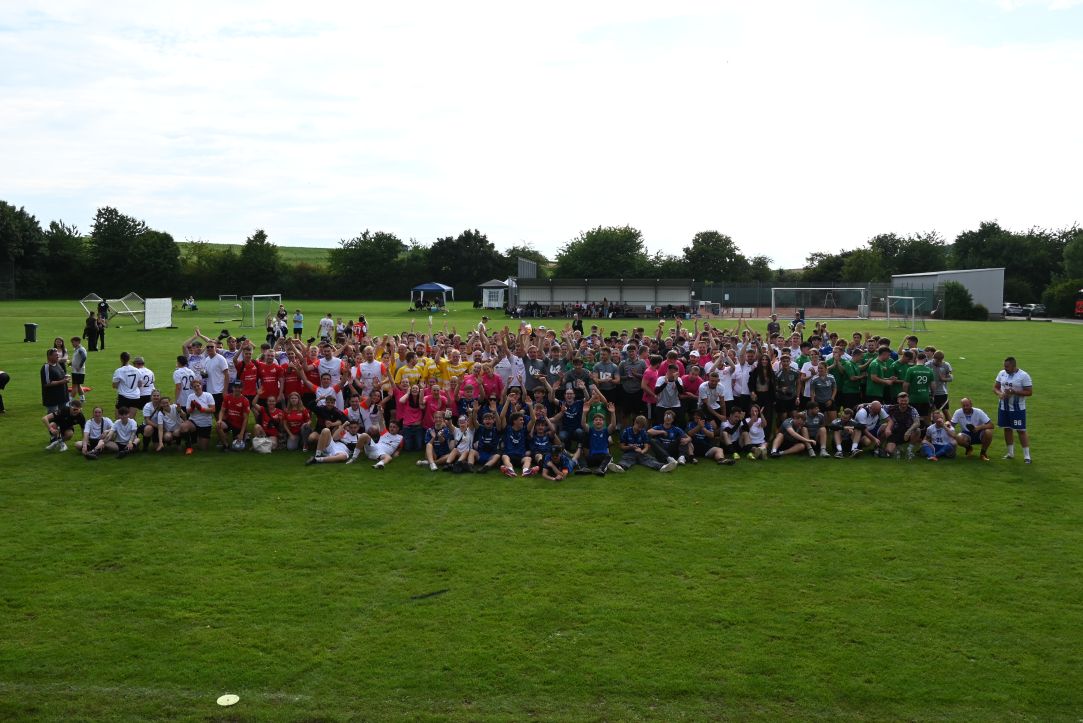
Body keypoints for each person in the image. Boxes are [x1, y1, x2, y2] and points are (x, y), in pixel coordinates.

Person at [994, 356, 1033, 463]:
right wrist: (999, 394)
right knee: (1007, 429)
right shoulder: (1002, 373)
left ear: (1014, 366)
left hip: (1017, 409)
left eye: (1007, 367)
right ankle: (1010, 454)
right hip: (1003, 407)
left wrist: (1014, 392)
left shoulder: (1023, 376)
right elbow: (996, 387)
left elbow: (1029, 392)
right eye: (1004, 366)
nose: (1005, 368)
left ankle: (1027, 456)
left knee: (1021, 430)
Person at [881, 392, 921, 459]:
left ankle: (909, 450)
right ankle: (883, 447)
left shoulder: (912, 410)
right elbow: (878, 405)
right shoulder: (891, 408)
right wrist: (864, 404)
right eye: (901, 401)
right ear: (898, 400)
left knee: (917, 430)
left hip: (906, 434)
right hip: (894, 434)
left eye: (905, 401)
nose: (903, 402)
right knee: (889, 451)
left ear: (908, 401)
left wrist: (909, 431)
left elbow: (917, 422)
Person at [184, 378, 217, 454]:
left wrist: (201, 409)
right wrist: (192, 408)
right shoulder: (190, 396)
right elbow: (188, 411)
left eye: (198, 386)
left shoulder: (208, 395)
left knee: (203, 448)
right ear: (192, 388)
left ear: (201, 386)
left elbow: (213, 409)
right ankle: (189, 447)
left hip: (205, 423)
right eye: (194, 387)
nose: (196, 388)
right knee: (183, 426)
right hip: (193, 421)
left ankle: (196, 437)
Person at [217, 382, 251, 450]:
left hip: (239, 425)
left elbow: (245, 419)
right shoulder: (227, 397)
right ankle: (226, 445)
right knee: (219, 425)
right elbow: (222, 411)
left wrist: (241, 433)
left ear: (242, 389)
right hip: (229, 422)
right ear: (232, 388)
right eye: (235, 387)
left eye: (239, 387)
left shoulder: (245, 400)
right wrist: (220, 420)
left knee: (237, 447)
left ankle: (244, 436)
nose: (237, 389)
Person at [40, 347, 69, 415]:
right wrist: (62, 381)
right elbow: (47, 383)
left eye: (58, 355)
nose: (58, 356)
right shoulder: (46, 367)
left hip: (62, 397)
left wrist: (65, 377)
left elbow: (60, 376)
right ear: (49, 356)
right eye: (56, 355)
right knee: (53, 418)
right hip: (52, 399)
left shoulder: (57, 364)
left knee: (63, 417)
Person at [69, 336, 87, 402]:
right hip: (76, 371)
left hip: (78, 371)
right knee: (78, 385)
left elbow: (84, 357)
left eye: (73, 342)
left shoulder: (81, 349)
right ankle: (82, 398)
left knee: (74, 386)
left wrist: (79, 366)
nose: (72, 344)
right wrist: (71, 363)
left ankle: (70, 401)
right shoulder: (77, 349)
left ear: (78, 342)